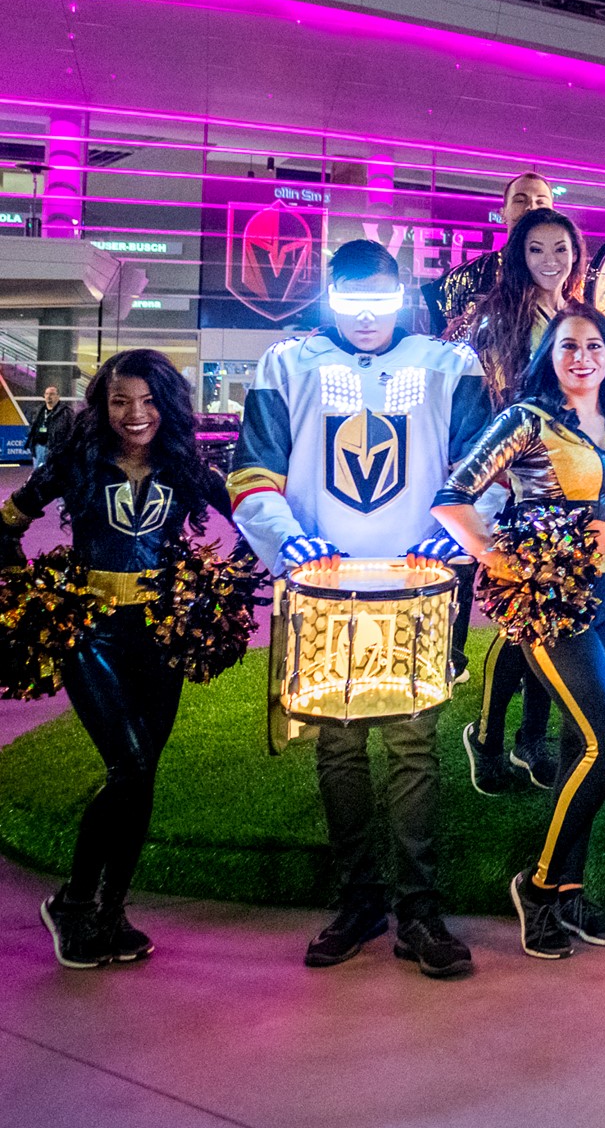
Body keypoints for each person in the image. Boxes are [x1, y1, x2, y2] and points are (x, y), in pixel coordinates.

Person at [229, 240, 491, 980]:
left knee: (413, 749)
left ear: (404, 292)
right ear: (331, 294)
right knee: (337, 745)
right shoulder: (289, 364)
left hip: (415, 588)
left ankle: (419, 908)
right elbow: (252, 469)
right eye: (353, 302)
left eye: (381, 300)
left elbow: (483, 465)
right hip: (323, 590)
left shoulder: (448, 366)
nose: (368, 317)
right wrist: (293, 546)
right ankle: (359, 900)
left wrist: (452, 537)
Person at [2, 352, 231, 970]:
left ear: (169, 405)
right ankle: (73, 902)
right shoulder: (77, 461)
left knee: (142, 771)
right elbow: (7, 524)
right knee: (128, 762)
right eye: (122, 401)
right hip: (90, 632)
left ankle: (111, 910)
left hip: (163, 635)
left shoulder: (188, 465)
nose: (136, 415)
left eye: (150, 401)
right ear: (103, 407)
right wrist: (27, 593)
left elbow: (258, 522)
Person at [433, 306, 605, 959]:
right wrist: (506, 560)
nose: (581, 356)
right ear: (550, 355)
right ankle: (540, 885)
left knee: (586, 745)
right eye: (568, 345)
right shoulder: (526, 421)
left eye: (593, 345)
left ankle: (570, 891)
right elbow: (453, 497)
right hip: (558, 604)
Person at [456, 207, 590, 796]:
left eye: (560, 249)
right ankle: (486, 737)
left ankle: (530, 738)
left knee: (553, 618)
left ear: (576, 254)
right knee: (520, 625)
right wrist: (503, 467)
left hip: (571, 484)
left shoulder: (578, 315)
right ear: (518, 254)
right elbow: (491, 402)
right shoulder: (497, 317)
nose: (549, 261)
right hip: (517, 477)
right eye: (536, 249)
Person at [425, 171, 554, 334]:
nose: (531, 207)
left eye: (540, 202)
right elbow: (445, 350)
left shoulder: (569, 280)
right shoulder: (458, 281)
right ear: (503, 214)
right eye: (520, 200)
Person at [26, 384, 74, 468]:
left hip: (55, 450)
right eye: (47, 394)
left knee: (54, 475)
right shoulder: (38, 411)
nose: (49, 396)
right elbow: (32, 427)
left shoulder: (66, 412)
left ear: (58, 396)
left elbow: (71, 432)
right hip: (39, 448)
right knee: (38, 474)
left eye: (52, 394)